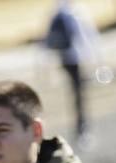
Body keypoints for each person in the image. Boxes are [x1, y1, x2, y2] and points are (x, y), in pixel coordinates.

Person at [44, 0, 102, 138]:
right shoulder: (76, 12)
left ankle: (80, 125)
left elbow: (47, 40)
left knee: (76, 92)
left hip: (64, 58)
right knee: (79, 93)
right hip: (77, 58)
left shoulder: (57, 11)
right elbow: (87, 36)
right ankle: (82, 126)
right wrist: (97, 59)